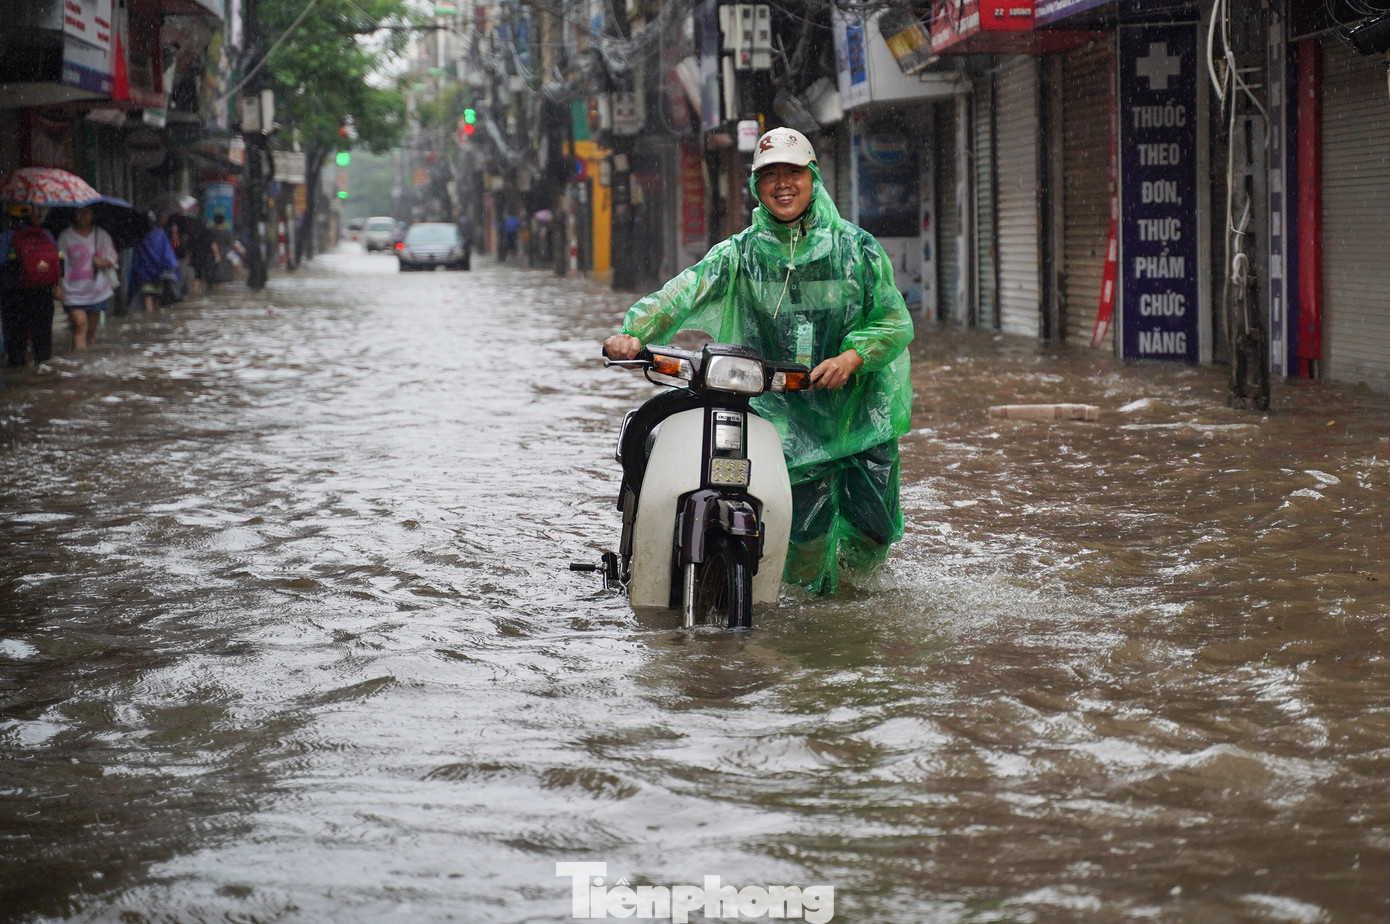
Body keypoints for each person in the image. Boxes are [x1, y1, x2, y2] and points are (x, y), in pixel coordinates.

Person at [603, 127, 914, 596]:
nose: (782, 184)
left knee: (874, 531)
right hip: (786, 419)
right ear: (756, 185)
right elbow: (682, 294)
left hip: (860, 414)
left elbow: (893, 321)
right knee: (802, 539)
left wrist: (852, 357)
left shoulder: (858, 250)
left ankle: (854, 608)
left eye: (793, 172)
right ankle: (810, 627)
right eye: (771, 175)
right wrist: (632, 334)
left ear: (813, 178)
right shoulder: (739, 255)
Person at [1, 202, 63, 367]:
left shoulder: (6, 237)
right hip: (42, 294)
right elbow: (57, 262)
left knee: (16, 346)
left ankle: (20, 380)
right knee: (43, 345)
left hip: (14, 297)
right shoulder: (47, 234)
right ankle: (44, 377)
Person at [56, 205, 117, 349]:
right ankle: (79, 365)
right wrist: (57, 286)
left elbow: (112, 258)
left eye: (86, 213)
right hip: (72, 292)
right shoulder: (65, 237)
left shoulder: (101, 235)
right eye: (79, 213)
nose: (82, 217)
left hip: (96, 291)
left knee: (90, 330)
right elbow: (58, 263)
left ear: (92, 215)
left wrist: (102, 262)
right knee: (80, 325)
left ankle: (88, 362)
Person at [128, 212, 179, 313]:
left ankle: (150, 319)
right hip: (159, 272)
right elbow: (167, 255)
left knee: (148, 295)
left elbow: (137, 257)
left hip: (146, 273)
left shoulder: (141, 236)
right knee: (157, 297)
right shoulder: (160, 234)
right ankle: (155, 318)